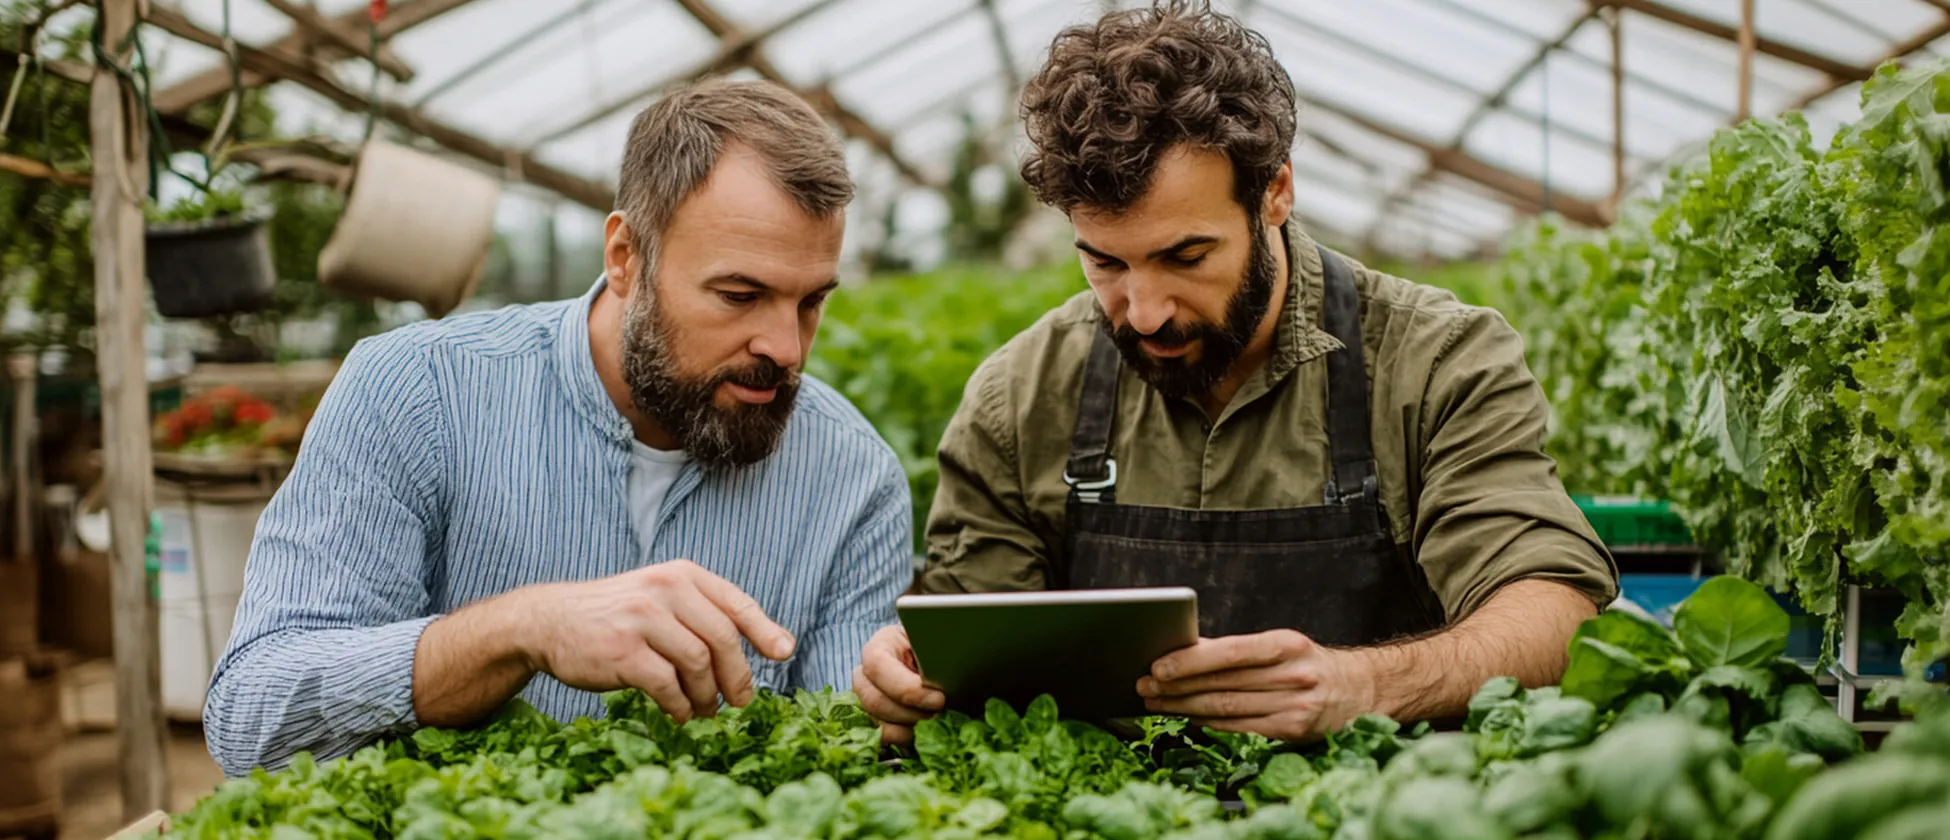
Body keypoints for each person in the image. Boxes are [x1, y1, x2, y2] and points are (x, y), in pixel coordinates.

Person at [854, 1, 1618, 744]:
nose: (1144, 310)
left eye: (1186, 257)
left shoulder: (1435, 362)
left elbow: (1555, 610)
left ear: (1276, 193)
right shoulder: (1020, 396)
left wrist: (1367, 687)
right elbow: (968, 659)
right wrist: (913, 679)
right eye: (1105, 263)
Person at [204, 80, 912, 776]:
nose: (786, 348)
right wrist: (519, 632)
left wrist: (891, 711)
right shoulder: (418, 395)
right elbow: (251, 717)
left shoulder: (854, 479)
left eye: (810, 301)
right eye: (739, 295)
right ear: (626, 258)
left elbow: (851, 762)